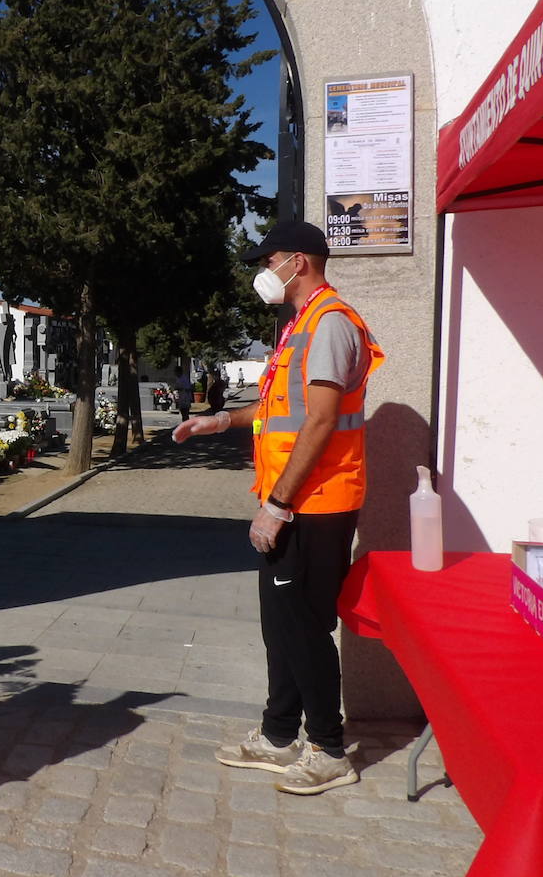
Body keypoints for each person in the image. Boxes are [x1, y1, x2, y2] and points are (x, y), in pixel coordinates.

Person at [173, 220, 383, 796]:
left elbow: (319, 421)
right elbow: (277, 411)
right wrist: (220, 420)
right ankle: (278, 734)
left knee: (305, 628)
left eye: (268, 260)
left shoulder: (332, 324)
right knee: (280, 625)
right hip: (294, 500)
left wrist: (278, 506)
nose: (262, 272)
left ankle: (329, 748)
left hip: (316, 504)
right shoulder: (298, 327)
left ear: (299, 261)